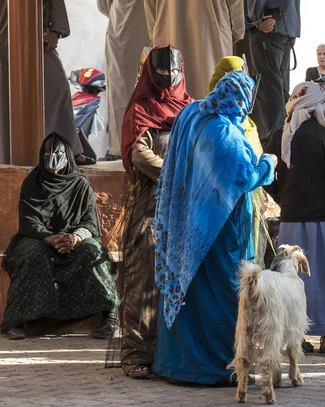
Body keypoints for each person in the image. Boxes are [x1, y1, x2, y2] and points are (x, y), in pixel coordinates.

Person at [152, 71, 276, 385]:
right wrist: (268, 163)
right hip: (220, 228)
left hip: (187, 220)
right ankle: (219, 366)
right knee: (223, 292)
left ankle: (177, 364)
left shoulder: (193, 113)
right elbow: (243, 177)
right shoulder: (224, 131)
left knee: (189, 290)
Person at [0, 133, 119, 340]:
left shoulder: (80, 183)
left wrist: (74, 237)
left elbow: (90, 222)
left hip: (74, 238)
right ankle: (16, 321)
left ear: (68, 156)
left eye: (57, 153)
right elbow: (28, 221)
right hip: (39, 237)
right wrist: (49, 238)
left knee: (92, 252)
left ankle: (111, 317)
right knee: (32, 256)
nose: (52, 159)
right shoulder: (33, 182)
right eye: (47, 154)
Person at [119, 45, 192, 378]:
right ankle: (136, 354)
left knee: (181, 280)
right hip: (150, 207)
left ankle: (173, 354)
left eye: (174, 73)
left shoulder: (191, 110)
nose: (168, 78)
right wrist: (175, 171)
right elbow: (139, 155)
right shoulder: (141, 109)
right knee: (144, 278)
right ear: (150, 72)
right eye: (162, 72)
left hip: (186, 209)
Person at [264, 82, 325, 354]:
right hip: (320, 219)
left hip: (290, 218)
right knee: (321, 274)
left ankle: (296, 336)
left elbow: (266, 173)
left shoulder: (280, 135)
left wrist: (282, 197)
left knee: (291, 278)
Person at [0, 0, 95, 165]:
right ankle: (10, 158)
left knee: (56, 86)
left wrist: (56, 30)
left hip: (36, 19)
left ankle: (66, 152)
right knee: (6, 92)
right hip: (2, 21)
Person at [208, 56, 268, 266]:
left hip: (250, 201)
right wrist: (267, 166)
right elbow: (241, 172)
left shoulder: (245, 120)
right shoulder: (219, 124)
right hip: (224, 203)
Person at [143, 0, 245, 99]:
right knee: (213, 86)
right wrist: (237, 29)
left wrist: (154, 30)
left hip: (168, 28)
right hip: (212, 29)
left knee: (172, 92)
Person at [97, 0, 150, 159]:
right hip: (151, 27)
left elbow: (103, 5)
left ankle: (124, 150)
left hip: (123, 25)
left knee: (123, 93)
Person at [245, 0, 301, 147]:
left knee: (269, 88)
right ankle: (285, 141)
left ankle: (274, 145)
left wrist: (256, 19)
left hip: (268, 25)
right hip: (287, 26)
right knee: (280, 87)